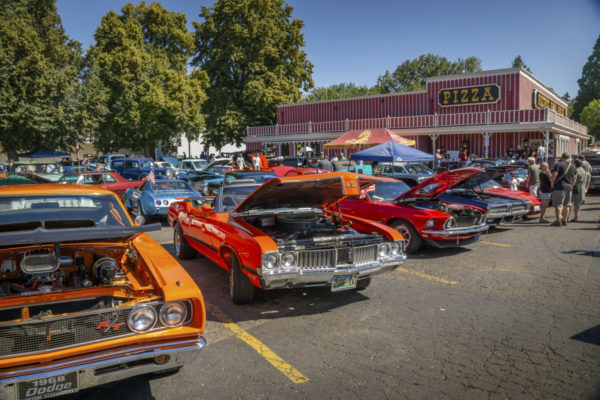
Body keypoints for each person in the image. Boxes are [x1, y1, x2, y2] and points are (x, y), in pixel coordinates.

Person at [550, 152, 576, 226]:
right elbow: (575, 178)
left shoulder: (558, 164)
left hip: (559, 186)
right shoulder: (573, 166)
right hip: (569, 186)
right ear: (569, 158)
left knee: (558, 204)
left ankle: (558, 221)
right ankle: (565, 220)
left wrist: (552, 182)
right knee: (567, 204)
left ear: (562, 157)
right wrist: (572, 185)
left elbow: (555, 174)